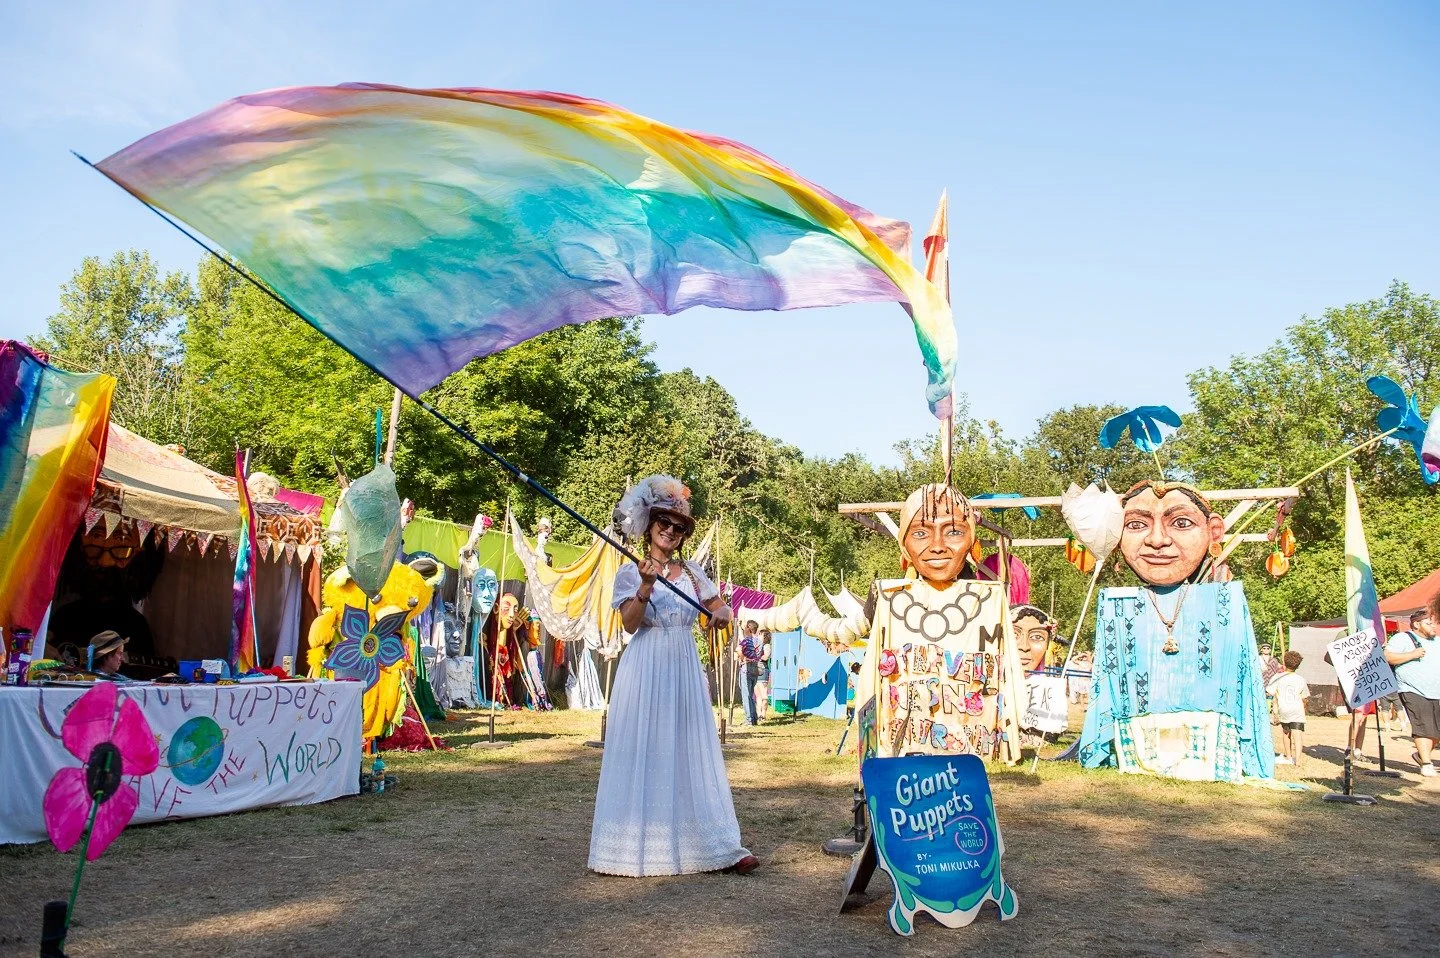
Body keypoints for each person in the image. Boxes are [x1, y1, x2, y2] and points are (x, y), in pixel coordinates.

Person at [589, 475, 756, 876]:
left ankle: (713, 846)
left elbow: (722, 609)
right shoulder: (631, 573)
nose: (670, 530)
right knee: (645, 747)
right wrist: (646, 585)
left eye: (679, 527)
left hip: (683, 666)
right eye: (664, 522)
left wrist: (720, 614)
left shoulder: (695, 573)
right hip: (645, 668)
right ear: (649, 524)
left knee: (687, 748)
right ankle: (633, 849)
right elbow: (630, 624)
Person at [1384, 601, 1440, 778]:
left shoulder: (1437, 642)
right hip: (1414, 690)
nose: (1433, 627)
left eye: (1434, 623)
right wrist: (1412, 655)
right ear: (1417, 624)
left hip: (1436, 691)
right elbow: (1388, 657)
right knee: (1423, 726)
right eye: (1429, 623)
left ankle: (1420, 755)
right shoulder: (1403, 638)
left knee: (1436, 730)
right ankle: (1426, 763)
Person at [1266, 650, 1309, 766]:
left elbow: (1270, 692)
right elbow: (1305, 697)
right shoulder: (1300, 679)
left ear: (1284, 662)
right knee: (1297, 735)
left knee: (1286, 733)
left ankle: (1288, 756)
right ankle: (1298, 760)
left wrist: (1275, 713)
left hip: (1284, 709)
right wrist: (1304, 707)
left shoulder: (1278, 677)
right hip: (1297, 709)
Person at [737, 620, 764, 726]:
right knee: (751, 694)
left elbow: (739, 650)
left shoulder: (747, 641)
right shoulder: (759, 641)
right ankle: (754, 718)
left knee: (746, 695)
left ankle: (748, 720)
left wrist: (743, 658)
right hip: (756, 670)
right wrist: (739, 627)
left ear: (748, 628)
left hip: (746, 670)